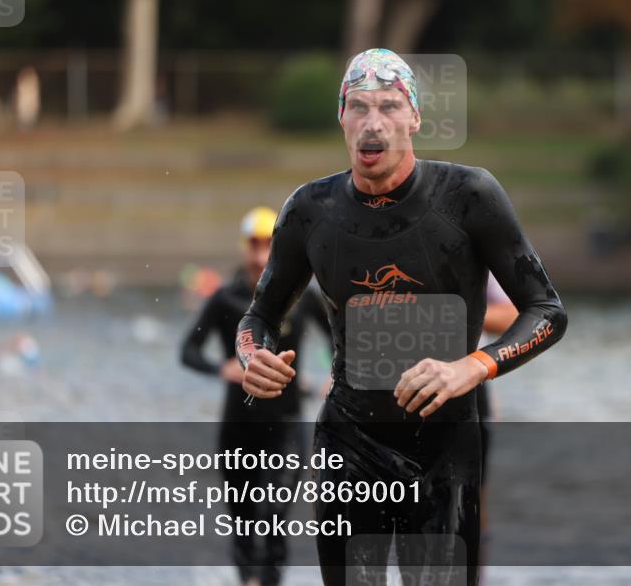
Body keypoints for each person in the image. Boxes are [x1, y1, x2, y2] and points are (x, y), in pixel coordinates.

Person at [235, 48, 567, 586]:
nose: (374, 124)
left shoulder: (468, 196)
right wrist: (254, 357)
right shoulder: (308, 210)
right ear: (341, 117)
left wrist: (472, 366)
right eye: (359, 107)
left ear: (414, 117)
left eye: (389, 106)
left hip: (444, 446)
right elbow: (260, 316)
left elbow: (547, 312)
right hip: (348, 439)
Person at [179, 206, 331, 586]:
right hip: (239, 426)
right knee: (243, 516)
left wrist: (335, 376)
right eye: (254, 244)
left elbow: (340, 339)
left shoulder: (300, 296)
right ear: (244, 247)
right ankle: (248, 580)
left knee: (275, 512)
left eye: (269, 244)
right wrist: (222, 368)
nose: (261, 254)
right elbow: (188, 351)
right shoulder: (224, 299)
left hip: (286, 424)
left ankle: (269, 581)